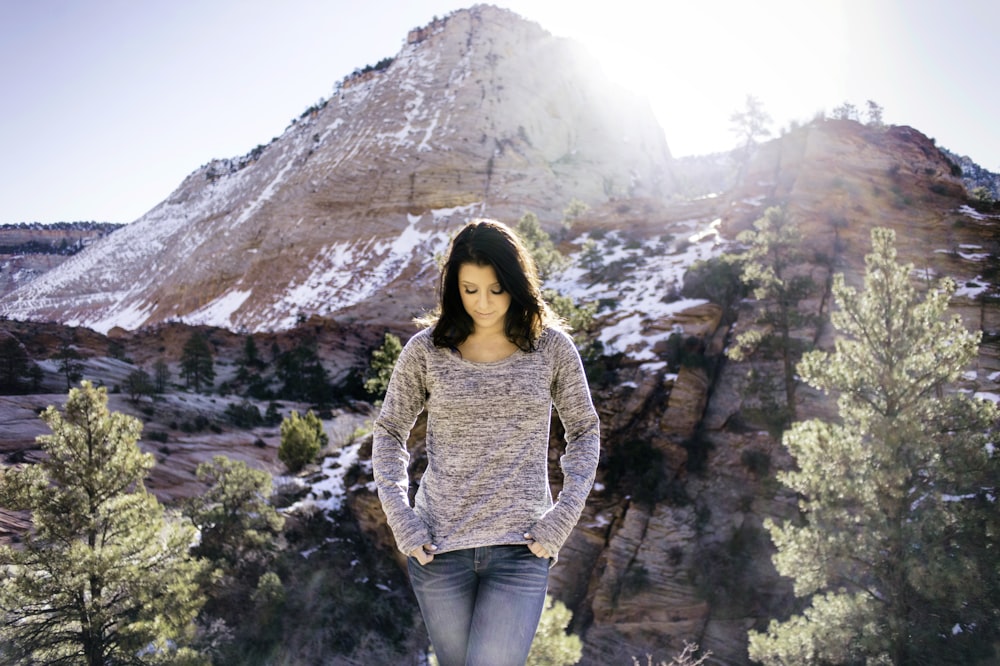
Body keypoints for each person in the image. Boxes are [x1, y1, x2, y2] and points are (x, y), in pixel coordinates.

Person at [372, 218, 601, 666]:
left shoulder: (551, 349)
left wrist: (563, 515)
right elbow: (389, 432)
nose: (483, 303)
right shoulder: (425, 351)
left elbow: (585, 431)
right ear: (453, 287)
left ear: (517, 284)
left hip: (521, 550)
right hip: (438, 551)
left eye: (496, 288)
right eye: (469, 289)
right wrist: (401, 518)